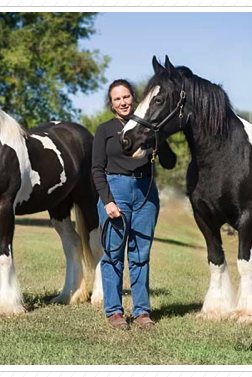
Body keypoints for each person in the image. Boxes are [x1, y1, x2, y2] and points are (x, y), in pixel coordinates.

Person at [92, 79, 176, 330]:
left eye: (126, 97)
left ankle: (141, 312)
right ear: (111, 103)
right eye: (117, 98)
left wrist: (159, 140)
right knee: (113, 255)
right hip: (115, 191)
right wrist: (107, 201)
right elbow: (96, 169)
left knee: (141, 255)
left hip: (145, 193)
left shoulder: (148, 128)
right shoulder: (105, 130)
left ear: (134, 98)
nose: (123, 102)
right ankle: (115, 311)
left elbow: (170, 163)